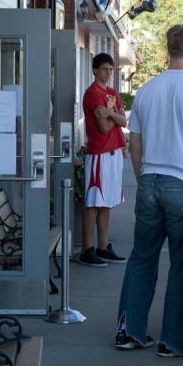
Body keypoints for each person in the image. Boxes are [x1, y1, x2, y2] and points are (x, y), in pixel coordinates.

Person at [115, 24, 183, 357]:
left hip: (150, 181)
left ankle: (129, 331)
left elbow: (135, 143)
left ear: (169, 49)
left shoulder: (146, 91)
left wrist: (143, 178)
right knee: (181, 263)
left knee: (142, 257)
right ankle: (172, 340)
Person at [79, 52, 127, 267]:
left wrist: (111, 114)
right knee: (94, 202)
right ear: (95, 70)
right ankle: (87, 249)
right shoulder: (92, 93)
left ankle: (103, 246)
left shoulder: (113, 92)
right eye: (105, 69)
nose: (108, 73)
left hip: (115, 153)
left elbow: (123, 121)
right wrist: (114, 116)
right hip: (99, 154)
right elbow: (103, 127)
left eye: (111, 69)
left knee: (107, 203)